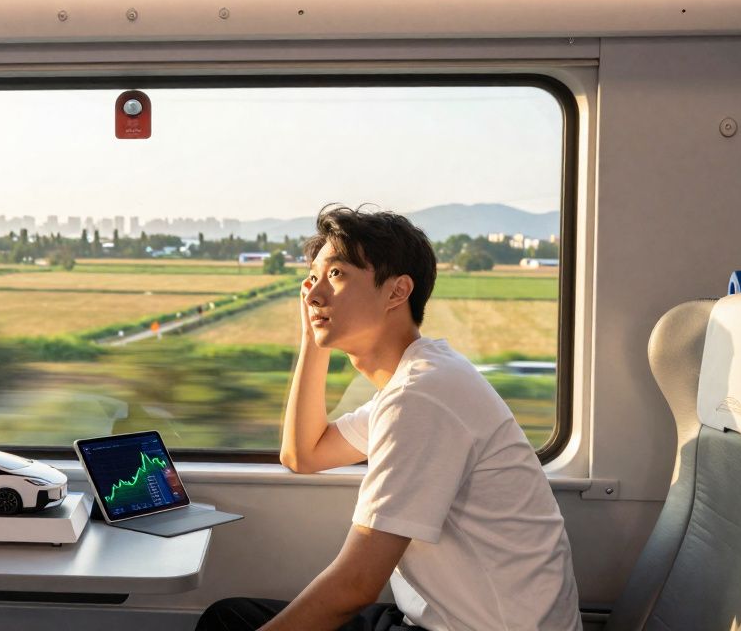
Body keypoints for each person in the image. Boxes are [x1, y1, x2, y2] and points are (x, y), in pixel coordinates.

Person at [197, 205, 580, 631]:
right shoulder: (416, 381)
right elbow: (303, 453)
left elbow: (356, 585)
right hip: (433, 621)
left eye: (336, 274)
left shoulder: (422, 397)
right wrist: (313, 337)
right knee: (229, 618)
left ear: (397, 292)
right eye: (312, 278)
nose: (313, 295)